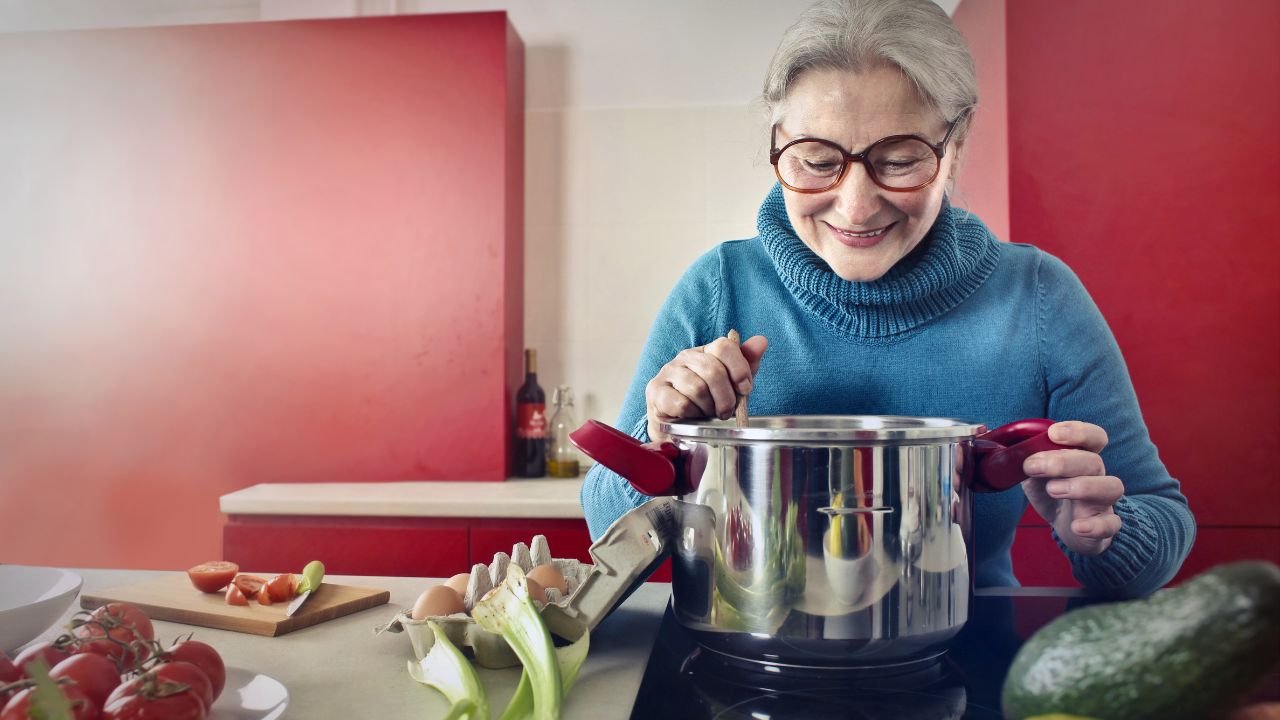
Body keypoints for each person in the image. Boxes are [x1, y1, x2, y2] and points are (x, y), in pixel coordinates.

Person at [580, 0, 1194, 598]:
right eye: (817, 161)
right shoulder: (719, 286)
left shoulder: (1037, 298)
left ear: (955, 146)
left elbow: (1159, 518)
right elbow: (601, 526)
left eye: (899, 161)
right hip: (742, 641)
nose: (855, 205)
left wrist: (1103, 535)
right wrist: (656, 437)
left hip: (961, 651)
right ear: (778, 143)